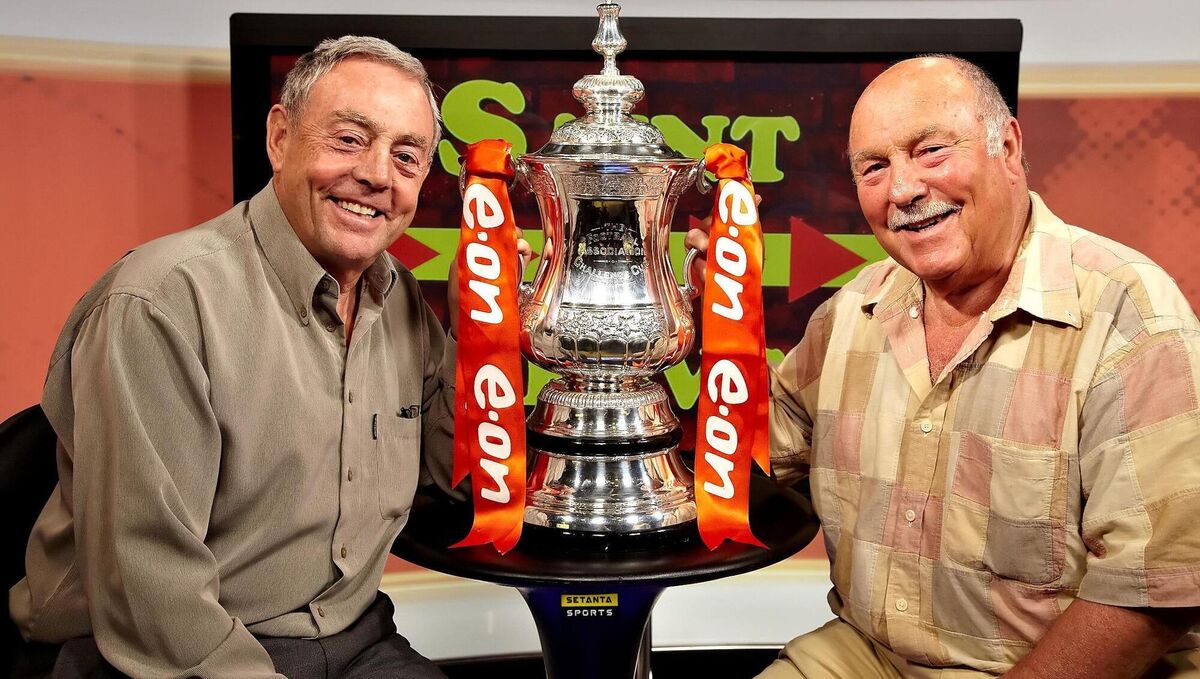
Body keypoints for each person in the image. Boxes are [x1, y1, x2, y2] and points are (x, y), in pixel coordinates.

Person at [689, 55, 1200, 678]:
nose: (902, 190)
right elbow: (739, 473)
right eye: (874, 168)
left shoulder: (1130, 314)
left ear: (1007, 146)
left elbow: (1154, 589)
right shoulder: (851, 311)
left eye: (930, 151)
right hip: (868, 656)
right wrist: (712, 328)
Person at [9, 36, 468, 678]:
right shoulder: (161, 302)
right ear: (279, 138)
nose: (376, 175)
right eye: (347, 139)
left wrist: (476, 332)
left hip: (356, 636)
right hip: (158, 653)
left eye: (407, 156)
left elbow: (450, 486)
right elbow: (153, 592)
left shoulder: (401, 301)